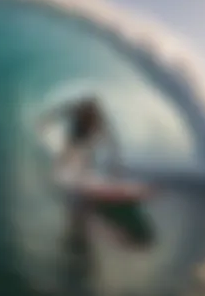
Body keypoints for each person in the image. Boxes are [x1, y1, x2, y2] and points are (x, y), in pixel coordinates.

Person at [37, 95, 156, 290]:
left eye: (93, 115)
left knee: (86, 159)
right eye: (90, 113)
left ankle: (81, 181)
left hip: (85, 142)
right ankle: (66, 175)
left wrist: (117, 161)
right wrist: (47, 120)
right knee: (71, 154)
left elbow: (110, 138)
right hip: (75, 137)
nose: (93, 116)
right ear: (86, 110)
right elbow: (62, 111)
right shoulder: (77, 109)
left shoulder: (99, 119)